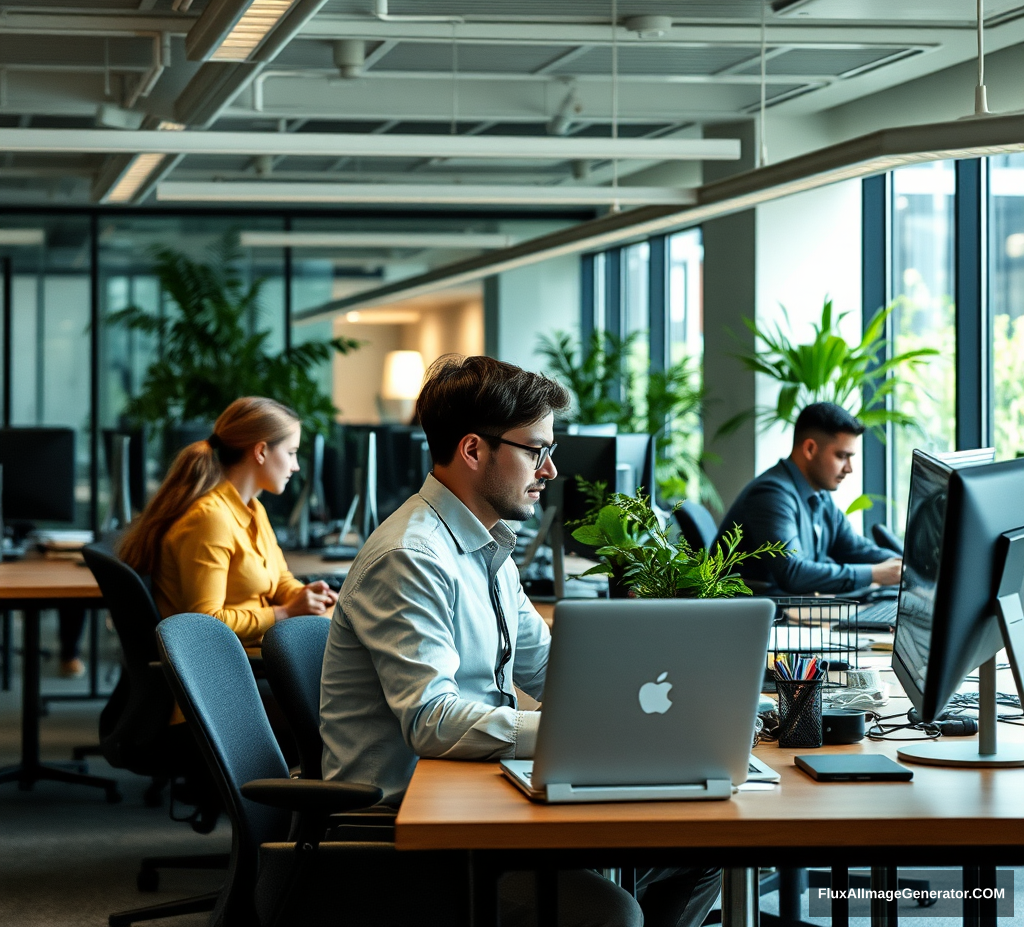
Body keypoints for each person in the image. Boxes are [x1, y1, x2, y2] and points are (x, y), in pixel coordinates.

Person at [320, 354, 721, 927]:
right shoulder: (412, 557)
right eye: (537, 451)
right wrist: (581, 734)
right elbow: (431, 720)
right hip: (410, 837)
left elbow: (556, 667)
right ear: (473, 450)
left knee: (702, 859)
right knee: (612, 915)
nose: (551, 470)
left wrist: (671, 703)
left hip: (478, 802)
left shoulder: (488, 547)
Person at [119, 396, 337, 647]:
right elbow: (206, 623)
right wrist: (285, 613)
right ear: (261, 452)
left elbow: (278, 579)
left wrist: (307, 597)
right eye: (291, 453)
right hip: (232, 664)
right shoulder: (210, 520)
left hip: (261, 648)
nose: (296, 466)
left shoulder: (253, 508)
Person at [714, 402, 902, 596]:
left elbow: (855, 549)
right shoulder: (770, 495)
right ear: (810, 449)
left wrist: (904, 567)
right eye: (842, 456)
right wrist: (874, 574)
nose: (849, 468)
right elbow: (793, 573)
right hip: (755, 621)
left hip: (789, 616)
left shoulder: (819, 496)